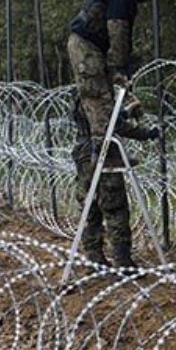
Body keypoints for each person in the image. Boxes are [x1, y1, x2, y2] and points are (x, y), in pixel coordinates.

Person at [67, 0, 169, 165]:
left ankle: (107, 151)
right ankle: (105, 154)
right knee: (98, 96)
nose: (151, 0)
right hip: (86, 47)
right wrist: (119, 67)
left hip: (91, 47)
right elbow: (119, 33)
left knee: (105, 99)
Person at [71, 92, 158, 268]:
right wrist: (148, 133)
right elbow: (112, 125)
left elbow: (100, 119)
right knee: (114, 207)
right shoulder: (99, 93)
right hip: (103, 156)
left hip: (84, 155)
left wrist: (124, 113)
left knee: (90, 209)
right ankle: (122, 262)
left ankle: (94, 260)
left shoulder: (81, 92)